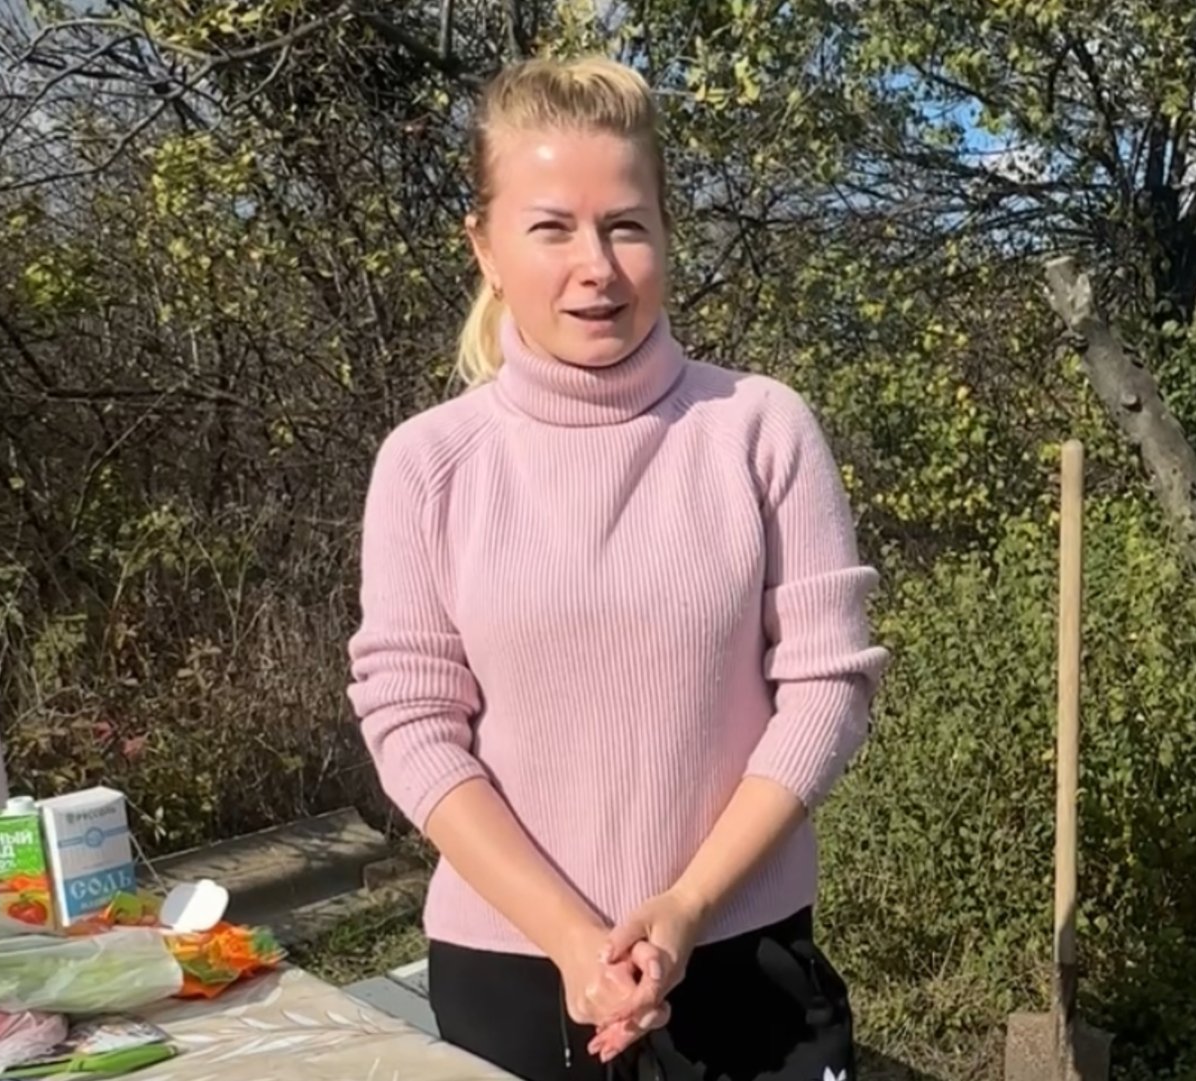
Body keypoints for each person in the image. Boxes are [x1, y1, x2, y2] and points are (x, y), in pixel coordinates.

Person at [345, 54, 889, 1081]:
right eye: (552, 227)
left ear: (666, 236)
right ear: (486, 246)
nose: (595, 266)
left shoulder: (761, 428)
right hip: (511, 970)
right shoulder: (427, 464)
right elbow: (412, 722)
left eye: (626, 226)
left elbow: (828, 687)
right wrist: (567, 936)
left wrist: (687, 904)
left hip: (746, 962)